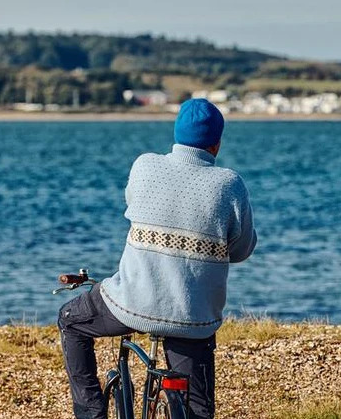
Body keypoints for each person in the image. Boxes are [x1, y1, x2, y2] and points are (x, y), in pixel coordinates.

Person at [57, 98, 257, 419]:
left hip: (130, 304)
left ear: (177, 134)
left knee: (71, 319)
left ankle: (91, 413)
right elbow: (242, 250)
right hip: (193, 318)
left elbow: (131, 206)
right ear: (216, 144)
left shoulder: (145, 166)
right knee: (197, 410)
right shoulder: (229, 184)